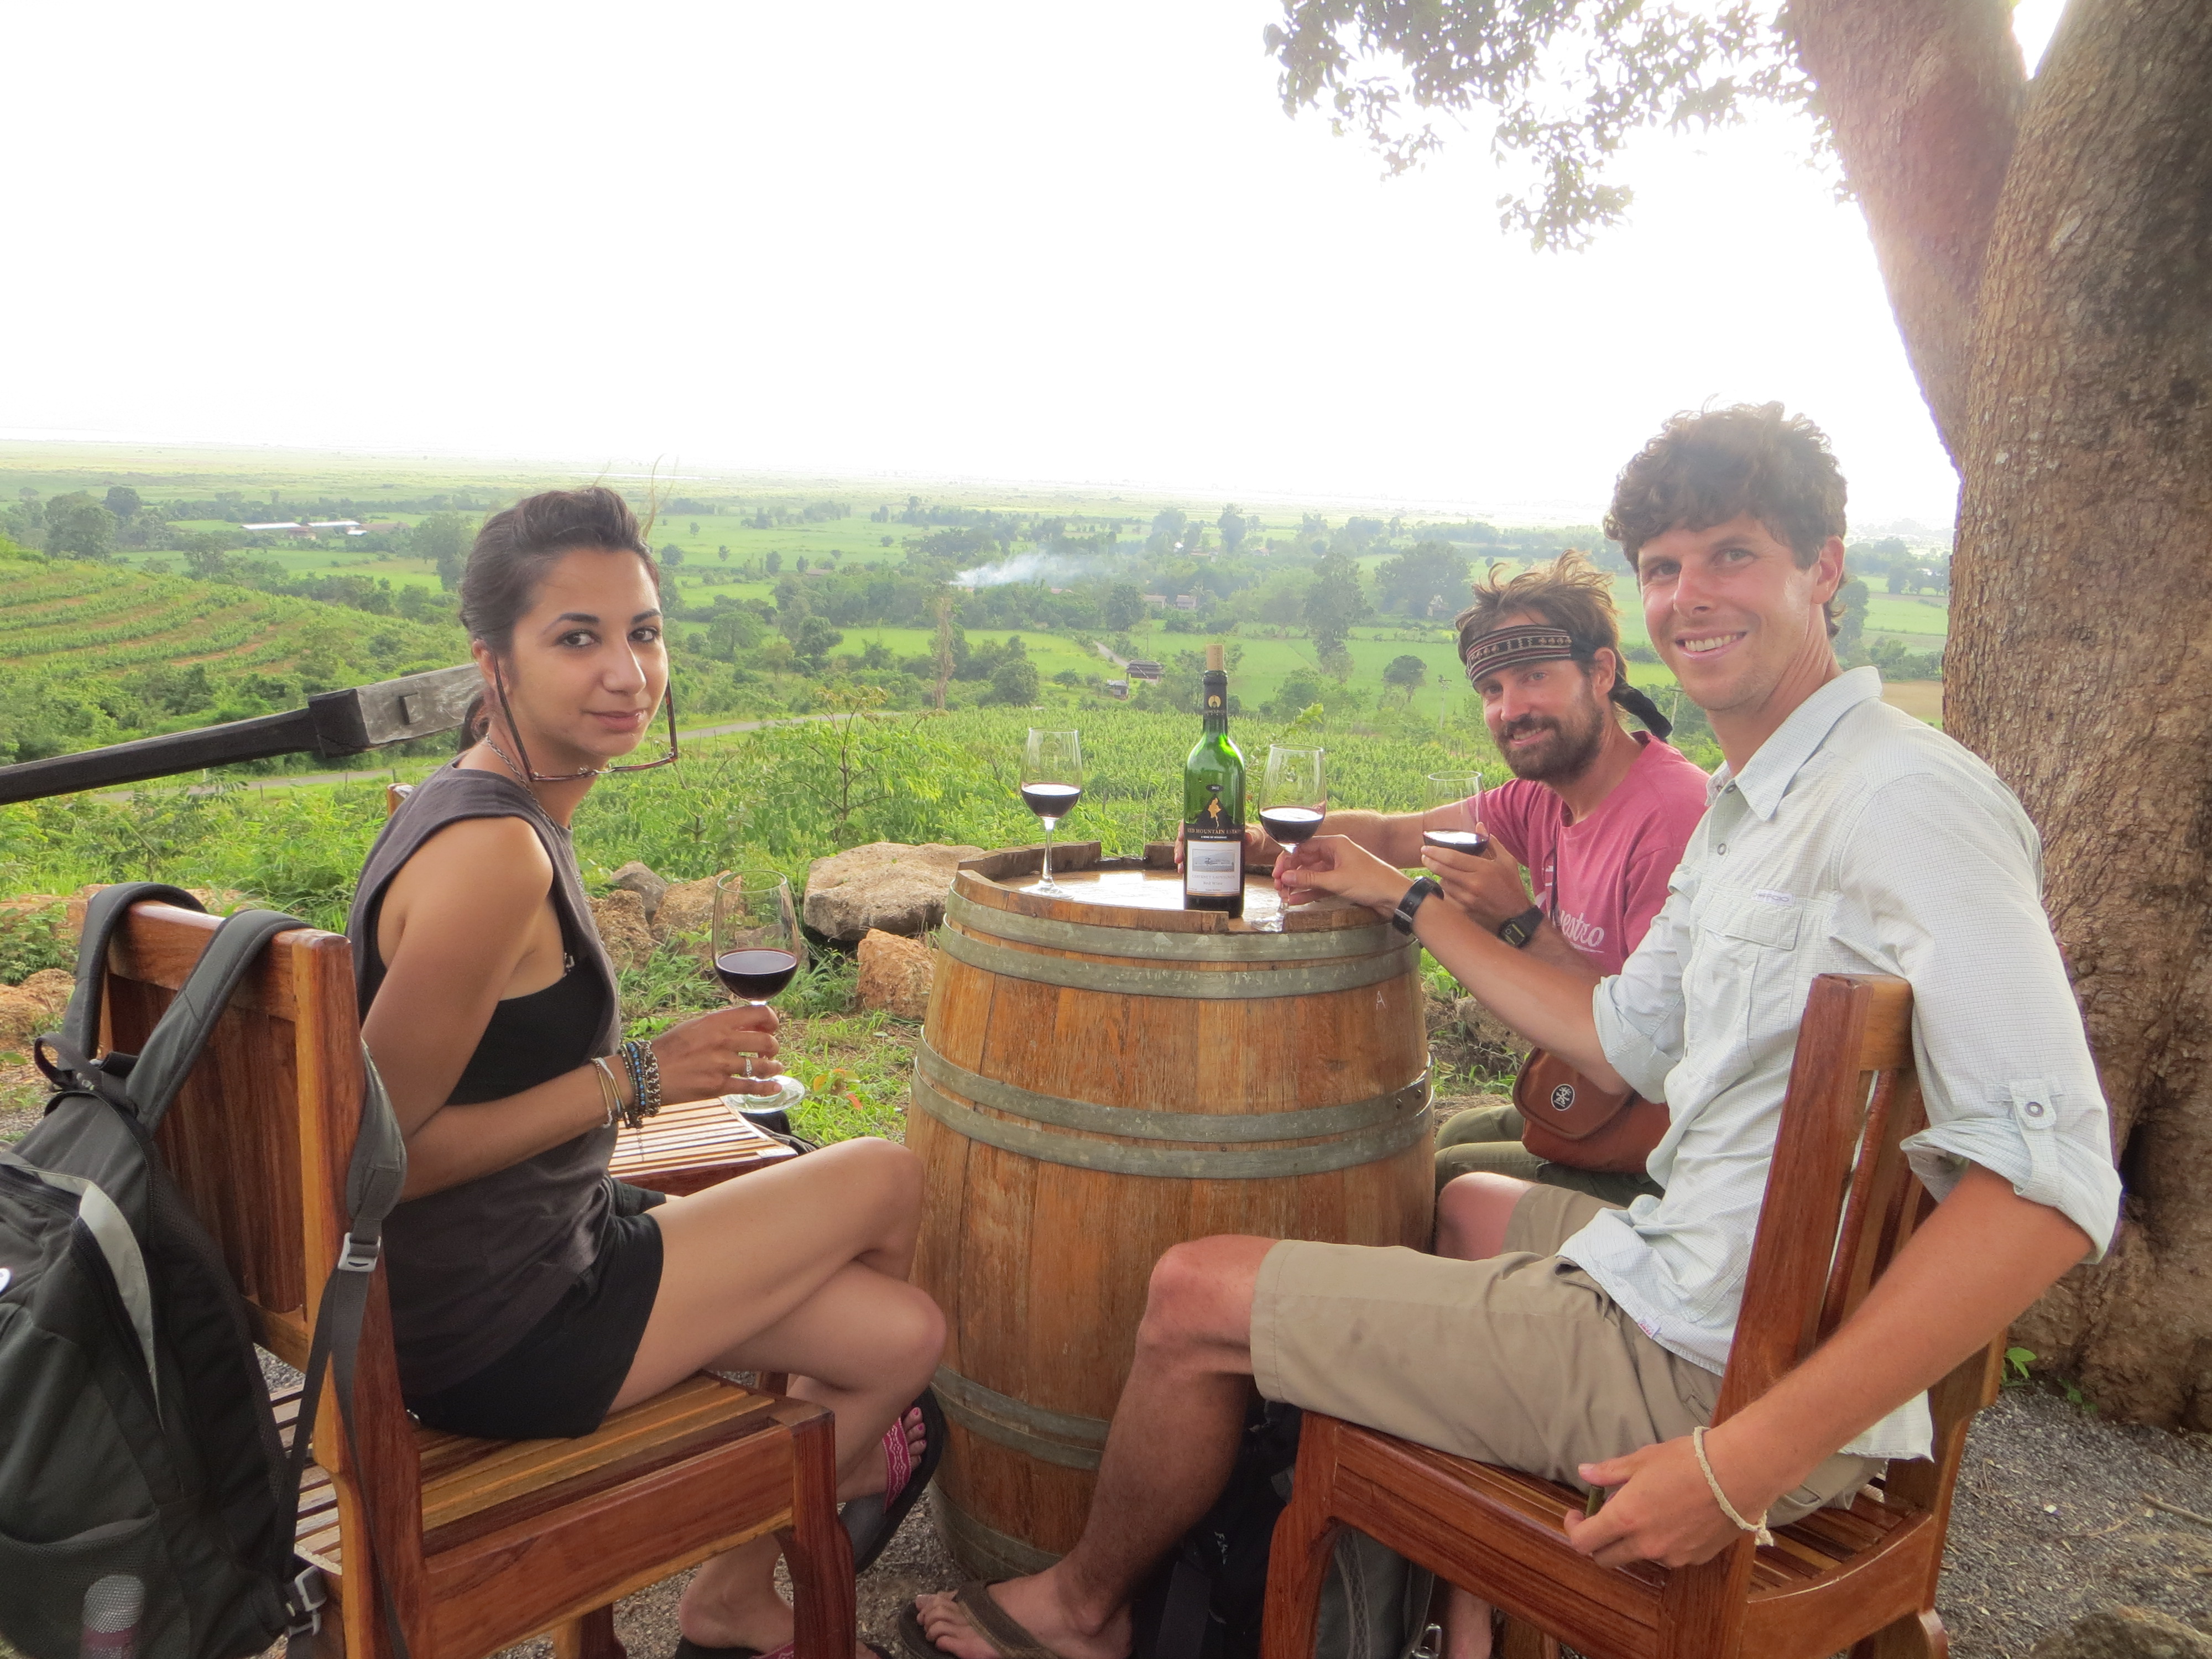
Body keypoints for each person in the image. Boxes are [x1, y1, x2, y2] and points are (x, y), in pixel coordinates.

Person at [905, 404, 2120, 1659]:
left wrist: (1736, 1464)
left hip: (1710, 1366)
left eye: (1733, 554)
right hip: (1699, 1270)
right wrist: (1416, 901)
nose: (1690, 596)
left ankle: (1085, 1609)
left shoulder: (1906, 799)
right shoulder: (1754, 807)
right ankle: (1453, 1616)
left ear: (1824, 567)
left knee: (1190, 1292)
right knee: (1459, 1203)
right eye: (1664, 566)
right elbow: (1617, 1037)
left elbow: (2051, 1182)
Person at [350, 487, 942, 1659]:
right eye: (578, 638)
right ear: (494, 662)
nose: (627, 673)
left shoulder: (484, 808)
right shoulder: (494, 855)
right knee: (884, 1175)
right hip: (503, 1328)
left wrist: (635, 1075)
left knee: (900, 1338)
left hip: (531, 1254)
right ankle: (742, 1534)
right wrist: (635, 1077)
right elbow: (380, 1160)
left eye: (645, 632)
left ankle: (731, 1594)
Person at [1248, 550, 1708, 1205]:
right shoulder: (1541, 797)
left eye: (1534, 677)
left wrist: (1517, 923)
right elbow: (1392, 835)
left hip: (1666, 1147)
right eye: (1492, 690)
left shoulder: (1670, 819)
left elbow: (1639, 1049)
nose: (1510, 709)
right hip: (1590, 1099)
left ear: (1601, 672)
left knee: (1433, 1178)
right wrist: (1259, 842)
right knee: (1452, 1131)